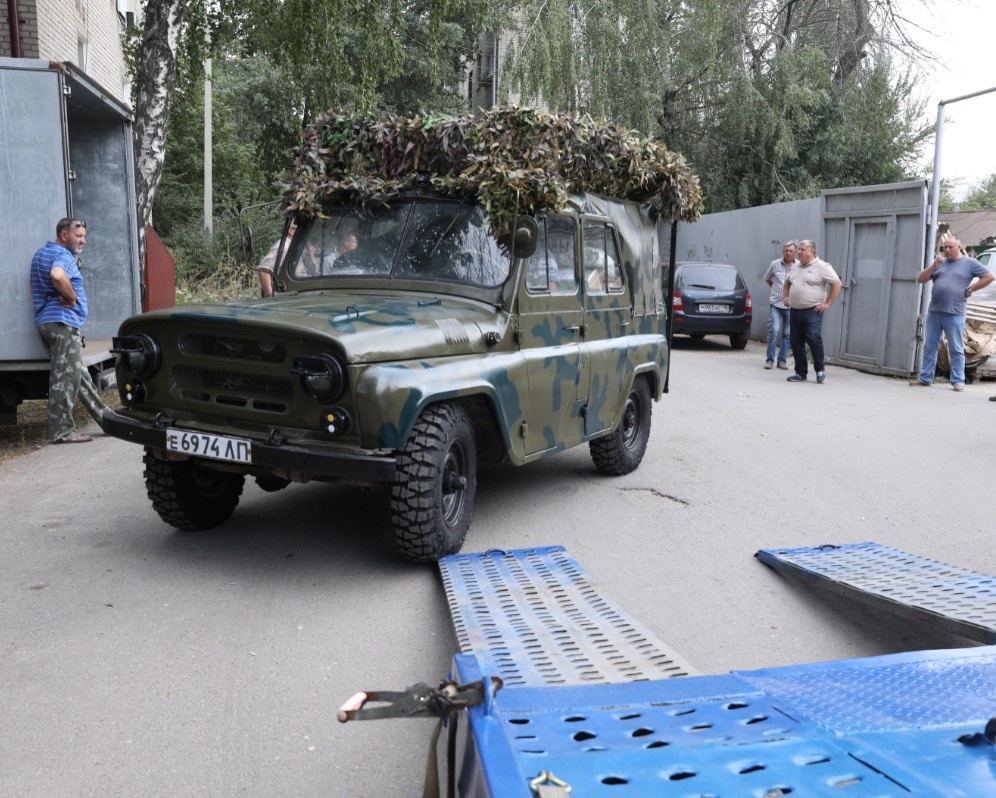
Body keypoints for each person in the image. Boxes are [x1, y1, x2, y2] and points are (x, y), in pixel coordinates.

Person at [30, 217, 109, 443]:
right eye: (78, 236)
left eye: (84, 236)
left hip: (48, 322)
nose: (83, 240)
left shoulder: (41, 254)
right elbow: (57, 275)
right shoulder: (63, 255)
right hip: (62, 324)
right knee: (65, 379)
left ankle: (108, 420)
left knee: (79, 376)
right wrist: (72, 297)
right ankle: (62, 432)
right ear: (64, 235)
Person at [910, 236, 994, 391]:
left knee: (955, 347)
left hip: (955, 312)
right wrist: (933, 266)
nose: (947, 250)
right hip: (935, 311)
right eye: (945, 247)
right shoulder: (940, 263)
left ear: (958, 247)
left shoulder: (969, 263)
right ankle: (926, 378)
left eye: (950, 247)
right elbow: (920, 279)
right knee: (930, 346)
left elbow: (990, 276)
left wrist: (971, 289)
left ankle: (957, 380)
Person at [783, 239, 841, 384]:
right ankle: (800, 373)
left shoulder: (822, 266)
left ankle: (820, 370)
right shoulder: (795, 266)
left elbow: (837, 283)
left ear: (812, 251)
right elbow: (787, 282)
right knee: (796, 341)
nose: (799, 252)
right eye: (799, 249)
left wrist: (827, 303)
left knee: (813, 338)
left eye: (802, 249)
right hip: (795, 311)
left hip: (812, 311)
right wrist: (785, 297)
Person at [763, 241, 798, 369]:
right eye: (786, 250)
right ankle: (769, 360)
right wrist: (775, 288)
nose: (788, 253)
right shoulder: (775, 264)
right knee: (774, 330)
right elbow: (767, 278)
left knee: (787, 334)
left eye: (791, 251)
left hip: (791, 305)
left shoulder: (799, 266)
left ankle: (782, 360)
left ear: (795, 253)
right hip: (776, 304)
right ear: (783, 251)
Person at [256, 221, 296, 297]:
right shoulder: (282, 248)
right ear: (291, 230)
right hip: (283, 296)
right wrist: (270, 296)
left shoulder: (291, 246)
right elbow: (263, 270)